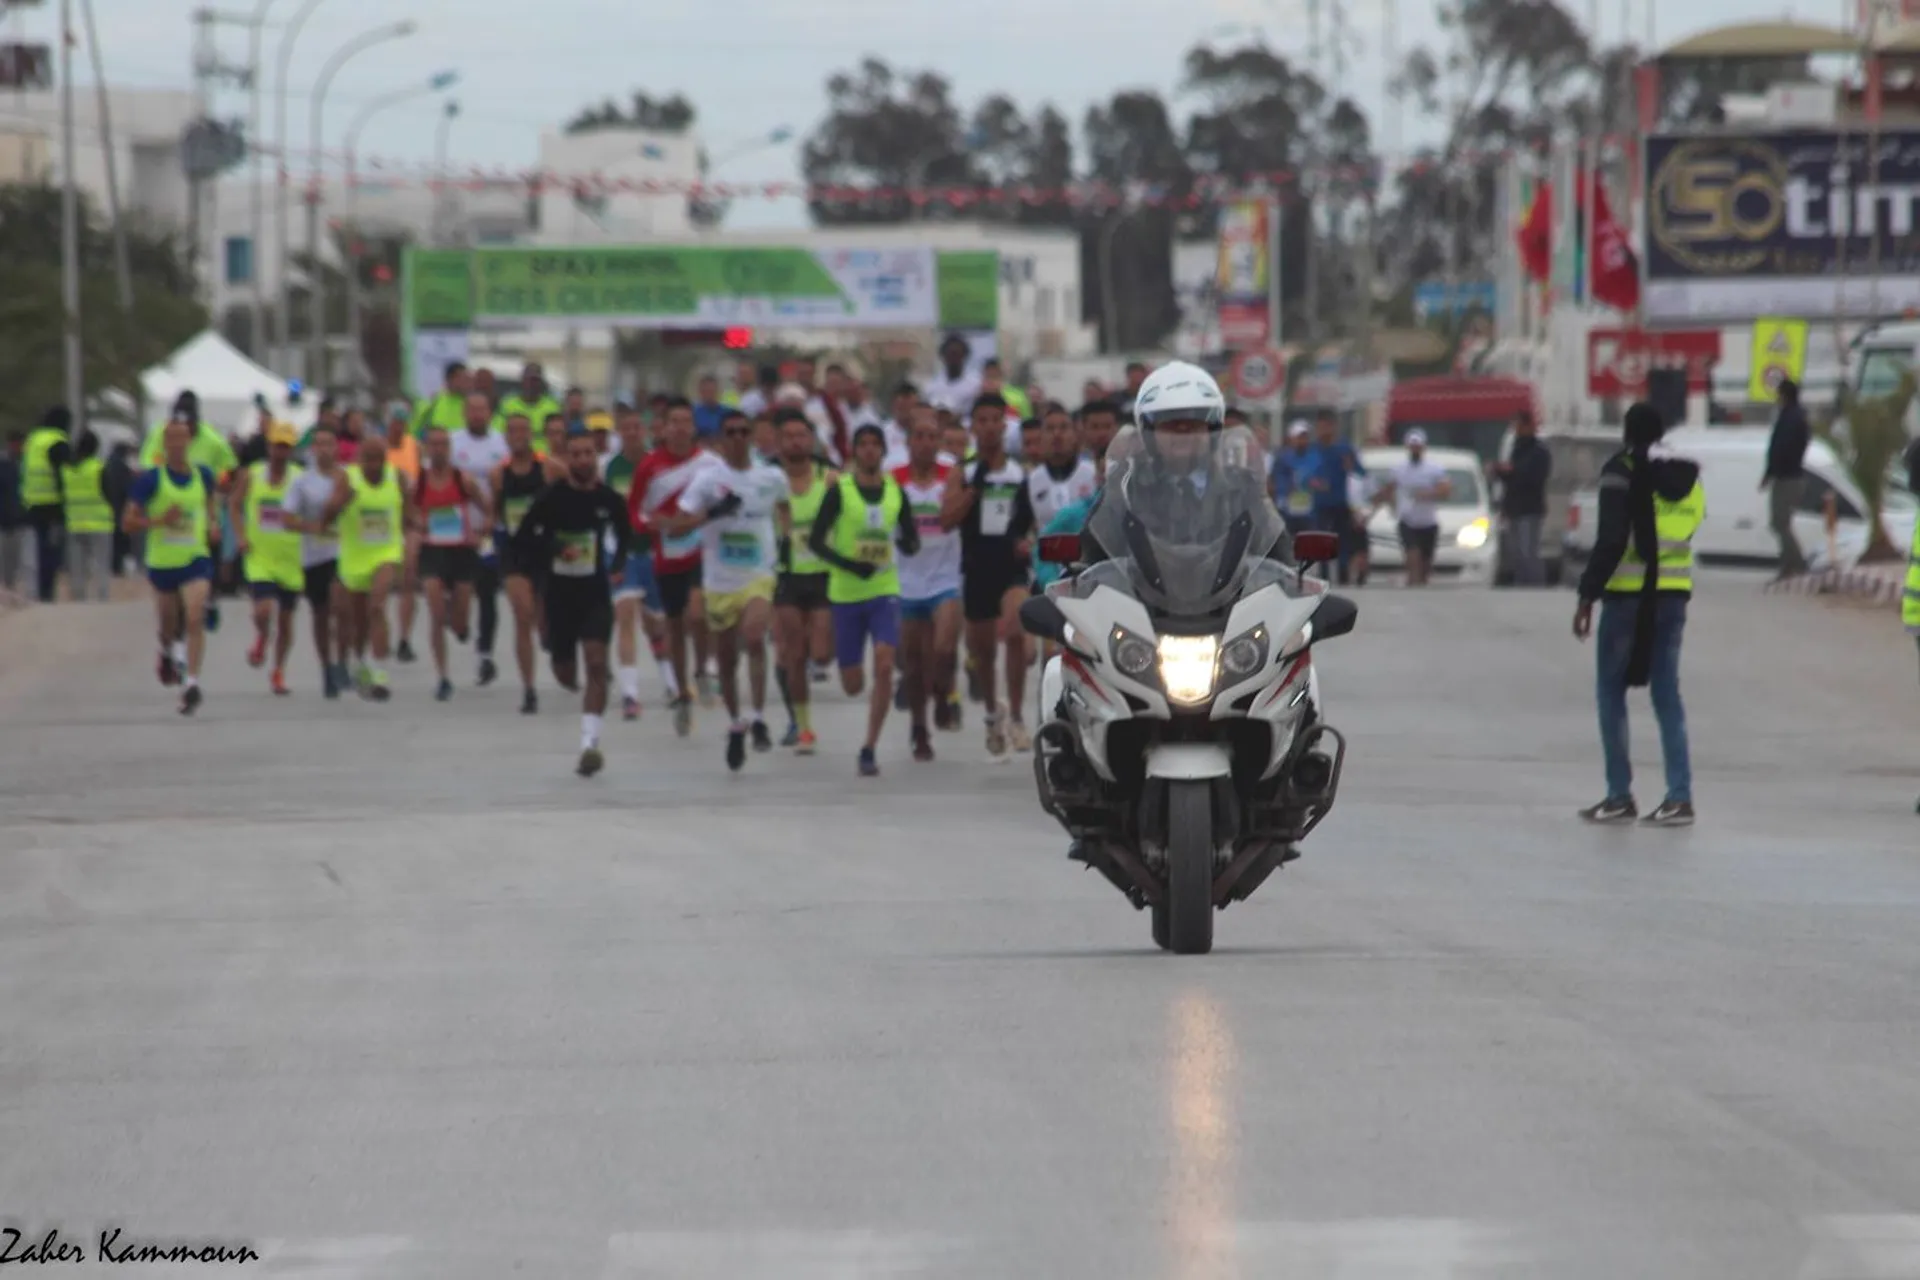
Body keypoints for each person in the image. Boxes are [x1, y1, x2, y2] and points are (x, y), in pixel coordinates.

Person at [1572, 401, 1705, 828]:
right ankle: (1679, 797)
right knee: (1667, 696)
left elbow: (1611, 540)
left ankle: (1618, 795)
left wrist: (1586, 595)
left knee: (1610, 695)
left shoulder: (1621, 471)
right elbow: (1690, 526)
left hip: (1627, 596)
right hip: (1674, 596)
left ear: (1627, 433)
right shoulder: (1688, 476)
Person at [662, 409, 791, 769]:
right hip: (719, 581)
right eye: (730, 432)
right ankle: (736, 724)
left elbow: (784, 509)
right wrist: (712, 514)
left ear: (752, 436)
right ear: (720, 440)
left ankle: (760, 718)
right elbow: (675, 527)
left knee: (753, 637)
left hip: (758, 575)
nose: (737, 438)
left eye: (743, 431)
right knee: (728, 662)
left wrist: (785, 544)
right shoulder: (708, 480)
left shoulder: (771, 476)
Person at [510, 426, 633, 777]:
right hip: (558, 597)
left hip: (594, 593)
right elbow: (522, 540)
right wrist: (543, 560)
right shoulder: (551, 498)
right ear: (566, 458)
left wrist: (619, 565)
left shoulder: (610, 500)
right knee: (565, 674)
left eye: (588, 454)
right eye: (575, 454)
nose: (582, 460)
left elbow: (626, 536)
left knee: (596, 663)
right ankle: (565, 667)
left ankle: (589, 745)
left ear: (597, 457)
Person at [809, 424, 922, 776]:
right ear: (855, 452)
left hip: (884, 590)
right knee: (853, 682)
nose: (870, 451)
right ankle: (859, 679)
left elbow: (912, 539)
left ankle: (869, 747)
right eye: (864, 445)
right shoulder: (840, 492)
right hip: (845, 594)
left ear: (884, 451)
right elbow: (815, 541)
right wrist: (848, 565)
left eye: (876, 445)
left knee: (885, 665)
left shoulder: (895, 492)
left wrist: (905, 544)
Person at [942, 392, 1036, 758]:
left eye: (995, 420)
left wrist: (1026, 541)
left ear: (1004, 424)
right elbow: (947, 519)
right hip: (976, 565)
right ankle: (991, 714)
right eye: (981, 420)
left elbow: (1030, 518)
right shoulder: (962, 472)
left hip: (1010, 566)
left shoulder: (1020, 472)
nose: (989, 427)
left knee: (1013, 632)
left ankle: (1015, 716)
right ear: (973, 427)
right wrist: (973, 490)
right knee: (982, 651)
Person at [630, 396, 723, 735]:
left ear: (694, 427)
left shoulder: (710, 463)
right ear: (664, 427)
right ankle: (682, 692)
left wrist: (699, 520)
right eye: (674, 422)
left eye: (687, 421)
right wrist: (652, 525)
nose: (681, 428)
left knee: (697, 614)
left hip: (703, 553)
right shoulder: (650, 466)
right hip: (667, 556)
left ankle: (703, 669)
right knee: (675, 626)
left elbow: (723, 503)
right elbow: (635, 511)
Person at [122, 413, 220, 713]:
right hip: (163, 563)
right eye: (172, 439)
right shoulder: (151, 480)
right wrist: (160, 520)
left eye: (183, 438)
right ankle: (166, 651)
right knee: (168, 625)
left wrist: (213, 524)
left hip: (195, 559)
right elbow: (128, 522)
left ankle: (191, 683)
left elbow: (210, 505)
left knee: (194, 617)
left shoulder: (203, 475)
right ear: (164, 444)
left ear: (190, 441)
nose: (178, 444)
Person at [892, 406, 963, 758]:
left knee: (944, 649)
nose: (925, 442)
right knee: (914, 662)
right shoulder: (893, 477)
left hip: (945, 578)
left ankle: (943, 691)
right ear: (909, 442)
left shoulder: (952, 475)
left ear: (939, 442)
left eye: (932, 436)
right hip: (905, 581)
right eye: (918, 436)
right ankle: (919, 728)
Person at [321, 432, 410, 701]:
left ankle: (380, 672)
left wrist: (416, 530)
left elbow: (411, 511)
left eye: (378, 458)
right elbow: (327, 517)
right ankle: (360, 663)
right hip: (355, 557)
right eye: (368, 459)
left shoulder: (398, 477)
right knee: (358, 622)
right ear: (359, 459)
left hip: (387, 552)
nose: (373, 464)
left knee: (378, 606)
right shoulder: (348, 479)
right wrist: (341, 502)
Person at [771, 406, 837, 752]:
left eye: (801, 435)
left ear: (811, 440)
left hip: (824, 575)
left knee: (822, 654)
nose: (796, 442)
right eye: (789, 436)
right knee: (792, 653)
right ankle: (803, 726)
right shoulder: (768, 479)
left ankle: (799, 717)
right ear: (778, 442)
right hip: (786, 576)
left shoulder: (830, 479)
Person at [603, 402, 672, 720]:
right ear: (619, 432)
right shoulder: (608, 467)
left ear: (644, 431)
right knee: (625, 617)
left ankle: (672, 683)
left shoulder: (657, 466)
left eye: (636, 428)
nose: (631, 433)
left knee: (656, 626)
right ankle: (630, 694)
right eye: (625, 428)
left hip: (653, 552)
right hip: (621, 551)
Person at [492, 413, 564, 714]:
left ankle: (548, 632)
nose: (518, 435)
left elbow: (575, 492)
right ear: (506, 437)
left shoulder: (549, 468)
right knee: (522, 615)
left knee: (542, 617)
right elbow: (497, 513)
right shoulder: (498, 474)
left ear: (531, 434)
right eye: (512, 430)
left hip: (544, 551)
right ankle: (529, 688)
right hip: (514, 552)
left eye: (523, 430)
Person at [412, 425, 488, 701]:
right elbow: (407, 511)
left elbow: (487, 508)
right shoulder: (419, 481)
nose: (439, 450)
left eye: (443, 444)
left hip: (461, 551)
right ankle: (443, 677)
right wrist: (416, 523)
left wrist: (482, 532)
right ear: (426, 449)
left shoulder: (463, 480)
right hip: (433, 551)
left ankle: (461, 625)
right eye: (433, 444)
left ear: (450, 449)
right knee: (434, 611)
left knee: (458, 620)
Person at [229, 422, 305, 694]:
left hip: (291, 557)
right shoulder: (252, 475)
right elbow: (234, 505)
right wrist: (240, 535)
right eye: (276, 446)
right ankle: (262, 635)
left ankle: (278, 672)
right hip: (260, 555)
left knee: (286, 621)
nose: (280, 453)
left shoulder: (299, 478)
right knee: (263, 610)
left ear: (292, 449)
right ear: (269, 446)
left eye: (285, 447)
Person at [283, 422, 350, 697]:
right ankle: (326, 668)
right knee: (321, 615)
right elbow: (287, 519)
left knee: (341, 608)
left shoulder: (346, 478)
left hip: (341, 553)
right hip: (313, 556)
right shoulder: (302, 482)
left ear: (336, 448)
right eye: (319, 444)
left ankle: (342, 662)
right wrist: (311, 527)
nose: (324, 450)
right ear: (312, 449)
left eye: (329, 444)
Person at [450, 391, 512, 688]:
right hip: (455, 530)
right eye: (472, 409)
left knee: (487, 590)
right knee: (458, 587)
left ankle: (485, 654)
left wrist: (493, 516)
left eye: (482, 409)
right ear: (465, 413)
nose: (477, 414)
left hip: (489, 528)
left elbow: (507, 487)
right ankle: (458, 620)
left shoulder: (501, 445)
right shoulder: (453, 443)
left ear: (490, 412)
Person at [1370, 430, 1451, 587]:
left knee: (1426, 562)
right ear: (1407, 447)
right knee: (1412, 554)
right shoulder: (1399, 469)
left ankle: (1422, 580)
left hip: (1428, 521)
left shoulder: (1434, 469)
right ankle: (1412, 581)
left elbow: (1446, 490)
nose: (1415, 449)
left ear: (1423, 447)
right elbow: (1389, 489)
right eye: (1412, 446)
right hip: (1408, 520)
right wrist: (1379, 502)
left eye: (1418, 446)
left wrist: (1428, 494)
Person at [20, 405, 72, 603]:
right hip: (52, 505)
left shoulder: (34, 439)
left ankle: (39, 591)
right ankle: (47, 591)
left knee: (37, 549)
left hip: (32, 502)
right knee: (51, 550)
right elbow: (62, 475)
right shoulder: (58, 441)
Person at [1495, 408, 1552, 587]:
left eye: (1518, 425)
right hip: (1514, 508)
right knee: (1517, 552)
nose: (1516, 429)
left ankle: (1535, 585)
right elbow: (1510, 482)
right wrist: (1500, 472)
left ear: (1528, 426)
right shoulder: (1516, 449)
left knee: (1529, 551)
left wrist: (1512, 471)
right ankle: (1521, 584)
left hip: (1530, 508)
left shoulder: (1538, 451)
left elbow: (1533, 477)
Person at [1308, 409, 1365, 585]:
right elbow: (1305, 474)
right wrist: (1313, 482)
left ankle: (1343, 572)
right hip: (1320, 503)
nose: (1325, 430)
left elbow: (1360, 474)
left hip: (1341, 501)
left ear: (1334, 427)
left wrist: (1350, 467)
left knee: (1342, 539)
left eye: (1328, 426)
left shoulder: (1344, 448)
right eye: (1321, 426)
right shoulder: (1313, 449)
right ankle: (1324, 574)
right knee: (1322, 537)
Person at [1762, 377, 1811, 579]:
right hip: (1788, 475)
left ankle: (1795, 563)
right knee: (1781, 522)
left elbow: (1782, 448)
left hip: (1787, 477)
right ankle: (1789, 564)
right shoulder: (1794, 416)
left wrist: (1773, 471)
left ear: (1785, 395)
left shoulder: (1791, 418)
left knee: (1779, 522)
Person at [60, 431, 114, 603]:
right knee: (101, 564)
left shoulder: (67, 469)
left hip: (74, 524)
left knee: (77, 565)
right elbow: (109, 493)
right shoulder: (98, 468)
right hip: (99, 524)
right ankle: (102, 596)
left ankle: (79, 597)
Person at [1268, 421, 1320, 540]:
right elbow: (1273, 482)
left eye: (1305, 437)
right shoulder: (1282, 458)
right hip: (1286, 511)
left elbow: (1320, 479)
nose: (1303, 440)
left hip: (1308, 513)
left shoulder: (1314, 457)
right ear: (1291, 438)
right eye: (1300, 437)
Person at [923, 334, 980, 418]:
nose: (954, 359)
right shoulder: (931, 386)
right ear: (943, 356)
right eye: (950, 354)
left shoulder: (976, 385)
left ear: (964, 356)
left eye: (957, 354)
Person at [499, 363, 560, 436]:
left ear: (541, 382)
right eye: (527, 379)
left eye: (535, 380)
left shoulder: (553, 407)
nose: (531, 383)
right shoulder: (508, 404)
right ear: (522, 380)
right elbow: (498, 432)